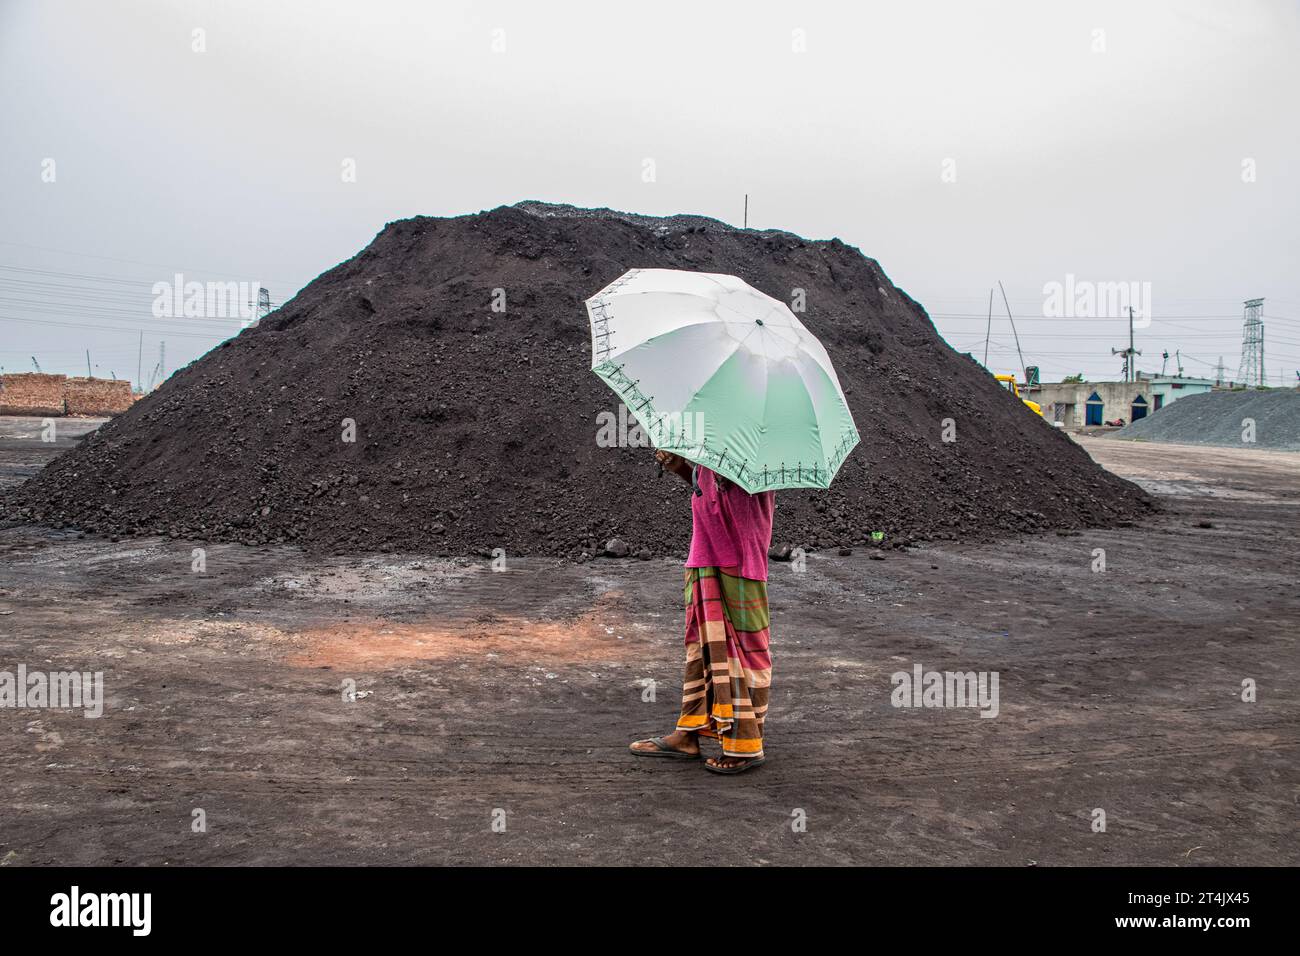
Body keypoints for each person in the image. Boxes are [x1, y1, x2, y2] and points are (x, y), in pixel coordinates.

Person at [629, 449, 776, 774]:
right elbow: (704, 486)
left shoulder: (758, 440)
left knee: (744, 649)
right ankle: (689, 732)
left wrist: (731, 469)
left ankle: (745, 744)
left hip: (738, 557)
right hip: (705, 552)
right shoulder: (719, 434)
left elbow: (746, 486)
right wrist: (680, 466)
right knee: (703, 648)